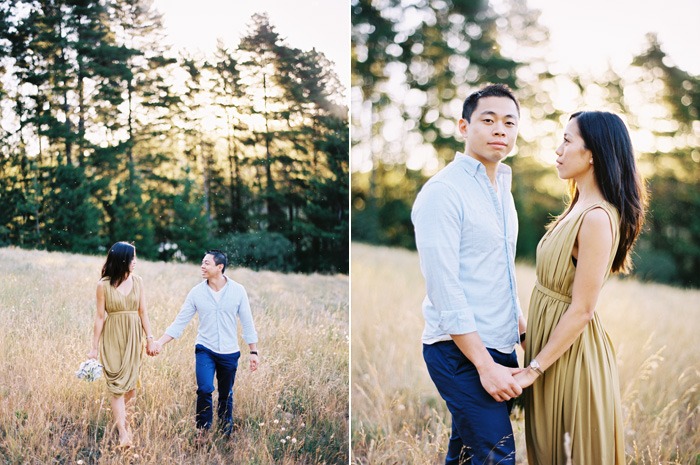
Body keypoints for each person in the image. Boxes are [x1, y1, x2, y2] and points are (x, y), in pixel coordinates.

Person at [514, 111, 646, 464]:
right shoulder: (577, 206)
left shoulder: (598, 218)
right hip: (548, 349)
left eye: (568, 141)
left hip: (571, 360)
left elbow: (583, 309)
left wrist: (533, 369)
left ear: (592, 154)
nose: (558, 150)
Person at [411, 83, 527, 465]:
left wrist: (521, 331)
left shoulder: (502, 191)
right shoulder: (443, 192)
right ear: (463, 127)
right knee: (498, 458)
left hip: (499, 345)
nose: (500, 130)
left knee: (464, 455)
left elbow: (498, 272)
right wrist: (484, 366)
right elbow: (445, 289)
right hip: (458, 351)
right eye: (488, 120)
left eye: (509, 123)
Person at [151, 249, 259, 438]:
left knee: (226, 394)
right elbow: (180, 322)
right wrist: (160, 342)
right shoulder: (196, 293)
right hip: (205, 349)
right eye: (202, 262)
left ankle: (226, 430)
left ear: (220, 267)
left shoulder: (238, 291)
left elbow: (247, 322)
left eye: (207, 263)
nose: (202, 266)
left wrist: (253, 351)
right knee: (205, 389)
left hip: (230, 352)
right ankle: (203, 431)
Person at [87, 241, 157, 448]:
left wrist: (150, 338)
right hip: (113, 336)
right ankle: (123, 432)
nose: (136, 262)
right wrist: (94, 348)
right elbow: (100, 317)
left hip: (133, 336)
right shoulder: (103, 285)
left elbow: (143, 312)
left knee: (131, 385)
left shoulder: (139, 282)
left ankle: (127, 422)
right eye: (132, 258)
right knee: (117, 385)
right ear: (122, 259)